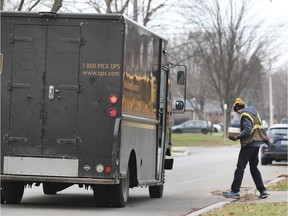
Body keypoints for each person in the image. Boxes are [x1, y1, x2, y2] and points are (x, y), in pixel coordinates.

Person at [223, 98, 269, 199]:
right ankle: (262, 190)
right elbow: (261, 129)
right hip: (256, 144)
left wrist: (236, 137)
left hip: (248, 144)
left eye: (237, 111)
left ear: (239, 109)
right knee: (254, 168)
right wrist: (266, 141)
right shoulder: (255, 114)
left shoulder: (245, 115)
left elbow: (248, 129)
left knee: (240, 167)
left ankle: (235, 191)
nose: (238, 114)